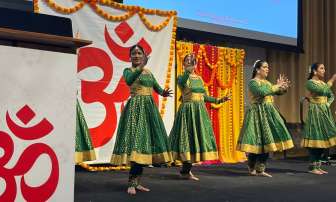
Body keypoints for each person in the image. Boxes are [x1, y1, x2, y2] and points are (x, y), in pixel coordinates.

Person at [110, 45, 173, 195]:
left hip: (149, 110)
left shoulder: (149, 73)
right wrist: (141, 67)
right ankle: (131, 183)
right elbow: (130, 81)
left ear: (143, 56)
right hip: (135, 110)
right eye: (134, 53)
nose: (137, 55)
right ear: (130, 56)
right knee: (136, 145)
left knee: (144, 146)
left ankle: (138, 183)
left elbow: (156, 87)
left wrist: (163, 92)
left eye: (139, 53)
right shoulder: (128, 71)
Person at [169, 53, 230, 181]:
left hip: (199, 111)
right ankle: (185, 170)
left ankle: (186, 171)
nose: (189, 63)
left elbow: (204, 97)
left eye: (192, 62)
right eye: (187, 61)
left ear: (196, 64)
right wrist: (187, 72)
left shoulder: (199, 79)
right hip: (187, 111)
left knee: (195, 140)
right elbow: (181, 83)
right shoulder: (182, 77)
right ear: (184, 64)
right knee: (187, 139)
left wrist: (219, 100)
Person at [236, 60, 294, 177]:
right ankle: (251, 165)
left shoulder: (267, 83)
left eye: (268, 67)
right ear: (257, 69)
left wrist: (283, 87)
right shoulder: (253, 83)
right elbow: (262, 92)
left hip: (268, 114)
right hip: (256, 114)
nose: (268, 69)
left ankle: (260, 169)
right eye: (265, 67)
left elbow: (277, 91)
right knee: (256, 141)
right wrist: (276, 86)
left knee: (268, 142)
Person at [302, 62, 336, 174]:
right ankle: (312, 167)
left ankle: (318, 166)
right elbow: (323, 91)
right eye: (322, 68)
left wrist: (327, 104)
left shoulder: (322, 83)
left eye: (324, 68)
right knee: (316, 139)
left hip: (324, 113)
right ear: (314, 71)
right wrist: (331, 80)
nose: (324, 70)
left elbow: (331, 95)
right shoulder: (310, 83)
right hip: (315, 112)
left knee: (323, 140)